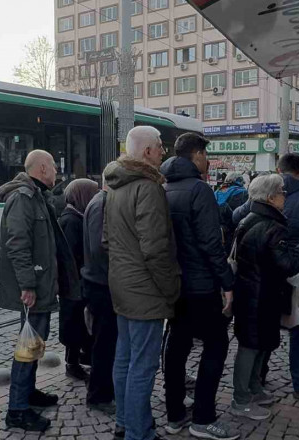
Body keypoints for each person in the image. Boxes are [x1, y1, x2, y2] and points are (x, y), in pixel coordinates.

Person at [231, 154, 299, 402]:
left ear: (279, 169)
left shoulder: (259, 195)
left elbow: (236, 217)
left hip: (268, 276)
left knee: (264, 327)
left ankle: (257, 378)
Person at [160, 134, 238, 440]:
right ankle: (203, 418)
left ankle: (175, 414)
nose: (208, 160)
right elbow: (210, 243)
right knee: (216, 345)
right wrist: (227, 282)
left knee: (177, 346)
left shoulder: (163, 188)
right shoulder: (199, 190)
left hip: (175, 284)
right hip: (202, 285)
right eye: (206, 154)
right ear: (196, 154)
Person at [104, 126, 180, 440]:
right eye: (161, 146)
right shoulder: (148, 188)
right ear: (147, 151)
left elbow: (107, 240)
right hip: (145, 289)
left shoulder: (115, 187)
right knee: (143, 366)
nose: (164, 152)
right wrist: (171, 288)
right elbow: (155, 249)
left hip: (122, 284)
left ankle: (125, 421)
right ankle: (139, 432)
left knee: (124, 357)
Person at [0, 150, 80, 432]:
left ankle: (28, 393)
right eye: (54, 166)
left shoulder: (38, 196)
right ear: (42, 168)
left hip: (43, 284)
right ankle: (17, 410)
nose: (57, 171)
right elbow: (17, 245)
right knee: (28, 347)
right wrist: (27, 285)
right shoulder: (23, 198)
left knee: (35, 343)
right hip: (34, 287)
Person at [229, 174, 299, 420]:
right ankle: (241, 399)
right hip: (259, 295)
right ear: (270, 197)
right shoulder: (270, 225)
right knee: (250, 346)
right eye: (281, 192)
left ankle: (254, 389)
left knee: (260, 344)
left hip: (256, 293)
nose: (285, 195)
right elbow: (287, 264)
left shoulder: (251, 218)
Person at [81, 174, 117, 414]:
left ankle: (104, 390)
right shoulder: (101, 203)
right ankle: (98, 395)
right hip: (101, 284)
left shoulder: (102, 201)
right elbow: (98, 248)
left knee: (107, 341)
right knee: (104, 343)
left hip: (101, 282)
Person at [58, 179, 100, 381]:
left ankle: (80, 358)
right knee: (74, 324)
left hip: (77, 283)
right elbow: (72, 256)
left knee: (79, 324)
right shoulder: (72, 221)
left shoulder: (76, 217)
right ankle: (72, 363)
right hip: (74, 285)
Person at [215, 173, 249, 256]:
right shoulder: (242, 192)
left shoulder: (218, 190)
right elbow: (243, 214)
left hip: (218, 229)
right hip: (233, 229)